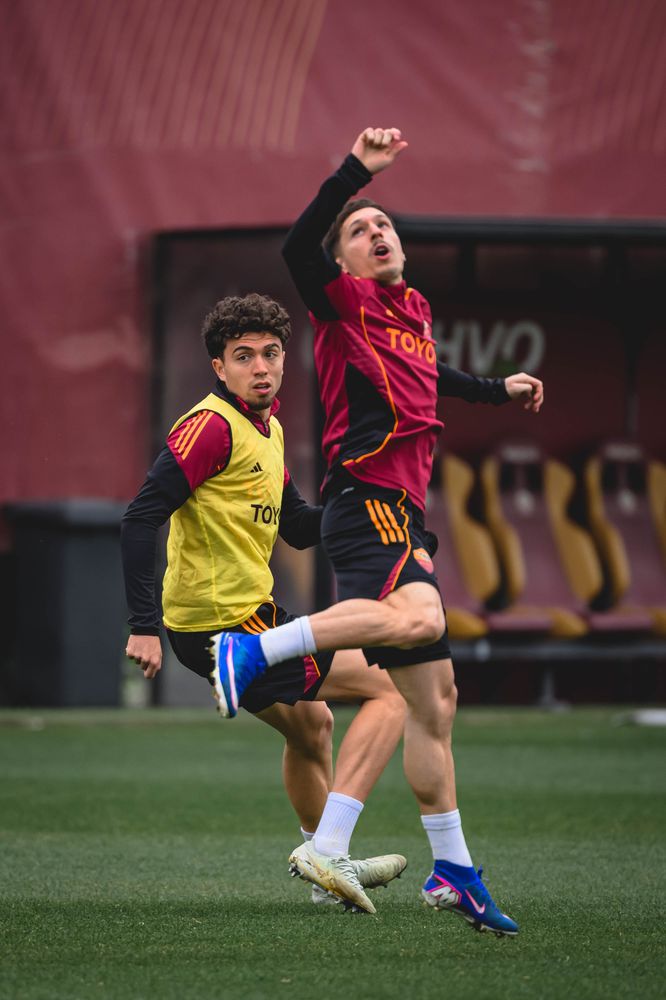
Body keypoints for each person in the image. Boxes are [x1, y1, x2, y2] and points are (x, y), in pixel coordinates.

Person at [211, 128, 545, 936]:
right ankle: (255, 649)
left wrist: (497, 389)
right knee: (424, 619)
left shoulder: (414, 310)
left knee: (433, 702)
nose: (377, 231)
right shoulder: (342, 303)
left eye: (383, 222)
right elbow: (299, 243)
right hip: (366, 497)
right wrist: (354, 172)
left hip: (404, 507)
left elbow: (432, 376)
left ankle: (455, 870)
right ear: (346, 263)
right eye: (361, 229)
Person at [121, 292, 409, 915]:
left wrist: (358, 503)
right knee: (391, 687)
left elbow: (300, 526)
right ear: (219, 368)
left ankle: (321, 868)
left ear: (284, 361)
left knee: (313, 727)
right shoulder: (210, 427)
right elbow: (140, 518)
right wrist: (142, 626)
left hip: (254, 615)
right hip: (221, 628)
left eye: (270, 354)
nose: (260, 366)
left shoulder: (268, 428)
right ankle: (329, 851)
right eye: (243, 356)